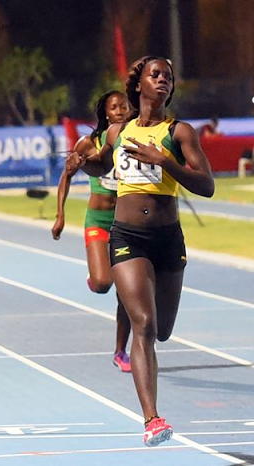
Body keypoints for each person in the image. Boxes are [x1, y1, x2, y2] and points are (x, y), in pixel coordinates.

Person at [73, 56, 214, 447]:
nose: (163, 81)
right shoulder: (118, 131)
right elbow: (99, 166)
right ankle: (152, 419)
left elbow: (206, 186)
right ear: (140, 85)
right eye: (156, 75)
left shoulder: (180, 132)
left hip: (168, 239)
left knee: (163, 331)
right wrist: (80, 162)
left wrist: (166, 162)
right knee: (145, 326)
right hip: (127, 237)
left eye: (168, 77)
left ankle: (151, 400)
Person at [52, 91, 132, 373]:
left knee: (126, 292)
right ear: (106, 114)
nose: (121, 110)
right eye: (115, 107)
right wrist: (61, 215)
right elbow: (66, 175)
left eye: (124, 105)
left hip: (125, 223)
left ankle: (121, 351)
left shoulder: (133, 139)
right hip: (98, 219)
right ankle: (96, 276)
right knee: (102, 285)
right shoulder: (89, 143)